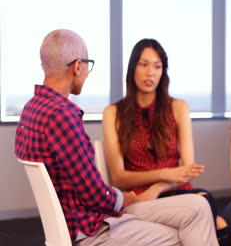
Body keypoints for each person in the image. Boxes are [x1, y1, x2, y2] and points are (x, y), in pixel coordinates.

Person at [15, 29, 218, 246]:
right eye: (87, 65)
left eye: (157, 66)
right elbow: (94, 194)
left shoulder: (31, 109)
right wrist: (124, 198)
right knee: (187, 232)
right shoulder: (63, 115)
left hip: (76, 222)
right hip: (91, 228)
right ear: (77, 66)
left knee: (199, 207)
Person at [102, 38, 231, 245]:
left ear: (163, 71)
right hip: (139, 199)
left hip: (175, 192)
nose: (150, 73)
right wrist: (164, 173)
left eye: (157, 66)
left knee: (206, 203)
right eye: (143, 64)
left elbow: (187, 171)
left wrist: (157, 187)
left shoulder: (178, 108)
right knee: (218, 222)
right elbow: (119, 178)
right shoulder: (113, 114)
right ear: (132, 68)